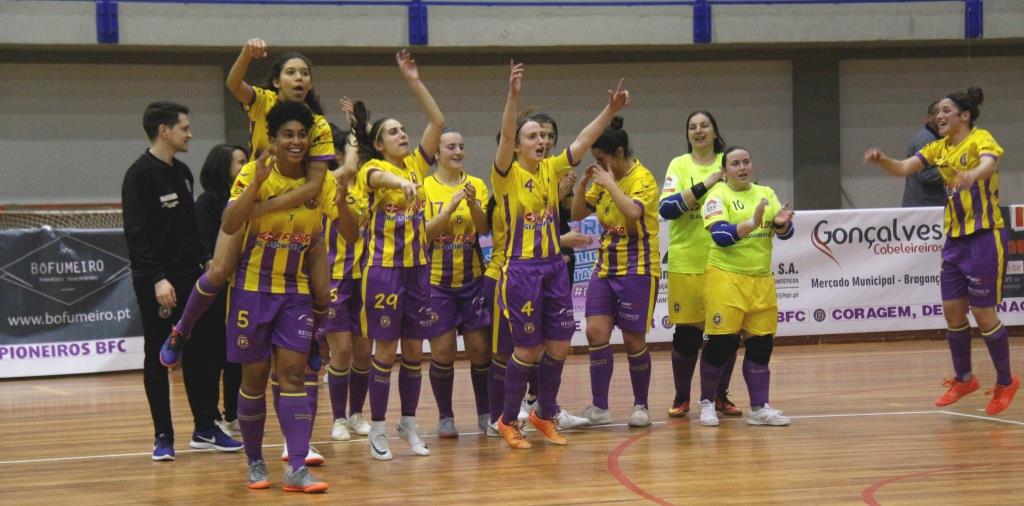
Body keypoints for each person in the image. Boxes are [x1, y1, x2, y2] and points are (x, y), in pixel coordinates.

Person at [159, 39, 334, 370]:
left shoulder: (319, 125)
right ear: (276, 80)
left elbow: (313, 184)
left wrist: (267, 209)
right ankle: (181, 330)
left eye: (305, 73)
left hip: (298, 208)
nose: (299, 78)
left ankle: (313, 335)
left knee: (323, 292)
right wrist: (246, 53)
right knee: (219, 270)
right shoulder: (263, 103)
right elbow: (233, 83)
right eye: (291, 72)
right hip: (252, 192)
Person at [492, 61, 629, 449]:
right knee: (527, 349)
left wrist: (610, 111)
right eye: (531, 136)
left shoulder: (551, 170)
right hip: (521, 272)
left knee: (560, 346)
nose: (540, 141)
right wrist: (513, 96)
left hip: (554, 268)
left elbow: (584, 141)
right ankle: (506, 420)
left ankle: (543, 413)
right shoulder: (505, 173)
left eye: (543, 136)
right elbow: (504, 135)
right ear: (517, 145)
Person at [865, 86, 1019, 415]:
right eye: (938, 112)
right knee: (952, 312)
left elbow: (989, 165)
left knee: (984, 314)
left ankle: (1006, 382)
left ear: (964, 116)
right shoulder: (939, 147)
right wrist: (883, 161)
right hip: (954, 239)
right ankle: (965, 379)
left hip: (984, 235)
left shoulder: (980, 139)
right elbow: (905, 168)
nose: (940, 116)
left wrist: (971, 175)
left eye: (947, 111)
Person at [225, 101, 341, 493]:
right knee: (254, 378)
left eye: (300, 135)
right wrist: (256, 184)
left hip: (295, 292)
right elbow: (229, 222)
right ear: (272, 140)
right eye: (287, 135)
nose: (295, 141)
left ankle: (295, 466)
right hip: (252, 289)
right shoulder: (251, 173)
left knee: (294, 374)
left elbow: (320, 240)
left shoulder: (322, 184)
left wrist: (323, 298)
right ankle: (255, 460)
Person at [121, 101, 242, 461]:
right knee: (160, 357)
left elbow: (191, 229)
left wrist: (208, 261)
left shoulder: (184, 172)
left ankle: (205, 427)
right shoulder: (139, 175)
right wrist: (158, 279)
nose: (190, 133)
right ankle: (163, 436)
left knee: (205, 353)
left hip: (192, 279)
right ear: (164, 131)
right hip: (156, 282)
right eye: (184, 128)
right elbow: (136, 234)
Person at [351, 49, 445, 461]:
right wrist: (397, 182)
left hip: (418, 270)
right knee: (384, 353)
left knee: (413, 353)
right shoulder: (371, 170)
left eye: (404, 130)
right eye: (393, 131)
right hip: (384, 272)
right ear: (377, 143)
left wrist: (413, 80)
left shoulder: (417, 167)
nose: (403, 135)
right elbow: (377, 177)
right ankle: (379, 429)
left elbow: (438, 123)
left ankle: (409, 422)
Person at [571, 116, 659, 428]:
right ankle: (600, 407)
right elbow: (578, 213)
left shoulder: (643, 178)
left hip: (638, 267)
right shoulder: (601, 179)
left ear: (619, 153)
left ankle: (641, 406)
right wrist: (583, 186)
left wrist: (609, 184)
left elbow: (634, 212)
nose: (597, 166)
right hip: (605, 266)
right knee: (596, 332)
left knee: (634, 340)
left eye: (601, 159)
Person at [698, 146, 794, 428]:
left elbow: (785, 232)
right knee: (722, 343)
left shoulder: (766, 193)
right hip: (726, 278)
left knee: (762, 344)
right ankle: (706, 402)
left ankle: (759, 407)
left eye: (746, 162)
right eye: (735, 163)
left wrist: (780, 225)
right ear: (724, 170)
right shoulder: (718, 195)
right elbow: (721, 236)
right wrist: (752, 222)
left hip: (761, 280)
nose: (742, 167)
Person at [657, 110, 742, 419]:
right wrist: (707, 183)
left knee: (728, 333)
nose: (698, 130)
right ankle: (682, 397)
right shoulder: (679, 165)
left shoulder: (730, 162)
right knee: (687, 335)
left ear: (715, 130)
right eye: (692, 127)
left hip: (726, 262)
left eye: (704, 125)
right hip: (687, 261)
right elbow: (667, 209)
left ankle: (719, 395)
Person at [422, 128, 492, 437]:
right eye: (451, 147)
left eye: (461, 146)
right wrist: (449, 207)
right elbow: (424, 234)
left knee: (480, 349)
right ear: (436, 153)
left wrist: (475, 205)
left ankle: (485, 413)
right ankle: (445, 417)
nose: (458, 152)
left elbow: (485, 229)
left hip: (473, 280)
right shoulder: (424, 188)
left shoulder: (477, 185)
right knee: (443, 352)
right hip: (436, 282)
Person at [321, 113, 372, 442]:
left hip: (367, 278)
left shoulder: (369, 183)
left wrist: (363, 130)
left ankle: (356, 415)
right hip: (336, 278)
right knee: (340, 351)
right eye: (355, 148)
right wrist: (356, 129)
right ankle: (338, 418)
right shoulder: (328, 183)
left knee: (364, 352)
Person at [192, 143, 248, 438]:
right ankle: (210, 415)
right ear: (222, 167)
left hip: (244, 286)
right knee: (213, 355)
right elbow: (204, 247)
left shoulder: (245, 199)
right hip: (217, 290)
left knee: (236, 354)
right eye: (240, 162)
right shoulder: (208, 202)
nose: (245, 166)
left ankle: (234, 414)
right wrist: (215, 271)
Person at [901, 100, 945, 207]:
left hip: (928, 205)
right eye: (940, 113)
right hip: (924, 207)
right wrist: (955, 169)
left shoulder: (940, 138)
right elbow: (926, 175)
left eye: (947, 112)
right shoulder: (926, 140)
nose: (944, 117)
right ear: (930, 117)